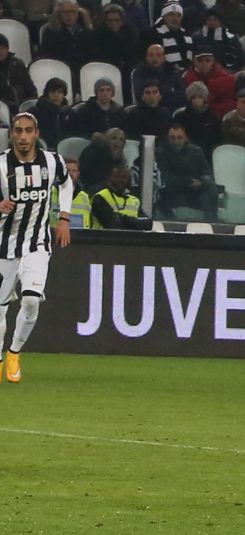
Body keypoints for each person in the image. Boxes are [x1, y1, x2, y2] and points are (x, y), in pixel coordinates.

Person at [0, 113, 73, 385]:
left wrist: (64, 218)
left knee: (30, 300)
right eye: (18, 131)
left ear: (36, 133)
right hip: (3, 246)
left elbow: (66, 183)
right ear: (12, 135)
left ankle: (14, 352)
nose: (23, 136)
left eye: (28, 131)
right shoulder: (1, 165)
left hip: (37, 245)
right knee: (0, 309)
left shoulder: (52, 162)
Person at [157, 123, 218, 219]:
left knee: (210, 187)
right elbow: (165, 178)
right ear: (167, 139)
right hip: (174, 191)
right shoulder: (162, 152)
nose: (176, 141)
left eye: (179, 137)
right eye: (172, 138)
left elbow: (206, 173)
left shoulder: (196, 151)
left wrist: (202, 181)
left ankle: (212, 224)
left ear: (186, 138)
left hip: (196, 191)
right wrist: (188, 181)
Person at [38, 0, 97, 90]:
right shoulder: (50, 32)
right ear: (59, 13)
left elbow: (93, 55)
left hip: (82, 71)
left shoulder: (88, 32)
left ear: (78, 13)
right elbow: (46, 55)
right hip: (59, 71)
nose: (69, 15)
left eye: (72, 11)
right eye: (65, 12)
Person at [182, 41, 236, 120]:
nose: (204, 63)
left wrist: (211, 110)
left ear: (213, 61)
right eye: (200, 60)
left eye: (207, 60)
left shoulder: (225, 78)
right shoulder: (187, 78)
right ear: (194, 61)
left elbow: (230, 102)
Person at [90, 164, 152, 231]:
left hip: (132, 240)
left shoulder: (135, 201)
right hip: (106, 240)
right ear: (108, 178)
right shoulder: (100, 197)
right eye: (117, 176)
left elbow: (148, 224)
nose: (121, 180)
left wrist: (121, 218)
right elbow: (112, 224)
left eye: (124, 177)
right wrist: (134, 222)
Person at [131, 44, 187, 112]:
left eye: (158, 55)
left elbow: (181, 95)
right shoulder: (139, 72)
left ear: (164, 58)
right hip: (146, 111)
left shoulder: (173, 71)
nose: (154, 58)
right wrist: (168, 92)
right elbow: (140, 96)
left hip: (171, 110)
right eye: (151, 55)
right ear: (146, 57)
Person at [94, 4, 139, 85]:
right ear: (105, 20)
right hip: (105, 69)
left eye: (117, 20)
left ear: (122, 20)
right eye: (110, 20)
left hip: (126, 70)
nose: (113, 23)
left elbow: (133, 54)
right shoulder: (98, 34)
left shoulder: (131, 32)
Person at [172, 82, 221, 156]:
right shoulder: (180, 117)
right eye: (194, 97)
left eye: (200, 97)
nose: (197, 100)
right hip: (185, 154)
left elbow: (217, 138)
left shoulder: (212, 117)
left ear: (204, 99)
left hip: (207, 153)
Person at [140, 3, 193, 68]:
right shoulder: (151, 34)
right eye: (171, 15)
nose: (175, 18)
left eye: (178, 15)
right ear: (164, 17)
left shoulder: (187, 36)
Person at [193, 7, 244, 72]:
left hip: (226, 73)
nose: (212, 22)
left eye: (215, 19)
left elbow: (240, 59)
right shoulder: (197, 37)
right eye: (209, 19)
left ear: (220, 21)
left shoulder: (231, 38)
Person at [29, 78, 71, 150]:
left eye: (60, 92)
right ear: (47, 93)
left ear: (64, 94)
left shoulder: (70, 112)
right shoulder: (35, 112)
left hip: (66, 150)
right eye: (53, 92)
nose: (56, 95)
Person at [50, 158, 92, 229]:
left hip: (80, 238)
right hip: (55, 237)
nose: (70, 174)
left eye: (74, 171)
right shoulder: (50, 193)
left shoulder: (85, 197)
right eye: (68, 170)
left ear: (78, 174)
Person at [0, 32, 36, 113]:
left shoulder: (18, 64)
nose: (0, 52)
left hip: (21, 106)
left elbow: (30, 88)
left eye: (2, 48)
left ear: (7, 49)